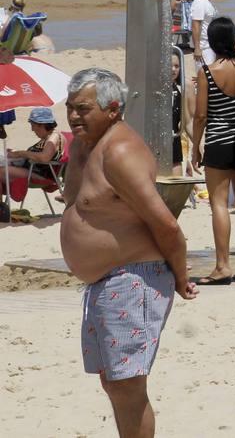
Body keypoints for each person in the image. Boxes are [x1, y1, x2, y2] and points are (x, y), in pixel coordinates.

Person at [60, 67, 195, 437]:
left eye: (83, 109)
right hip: (104, 281)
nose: (73, 116)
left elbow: (165, 223)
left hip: (133, 276)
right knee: (112, 382)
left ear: (114, 109)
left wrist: (182, 276)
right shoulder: (82, 147)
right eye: (70, 107)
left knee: (127, 385)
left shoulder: (120, 151)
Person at [190, 18, 235, 285]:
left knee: (219, 204)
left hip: (218, 143)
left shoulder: (207, 72)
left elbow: (200, 116)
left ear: (211, 41)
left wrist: (195, 148)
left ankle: (222, 266)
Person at [1, 107, 60, 216]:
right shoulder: (48, 138)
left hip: (39, 175)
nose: (32, 129)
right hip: (32, 170)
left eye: (33, 125)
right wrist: (16, 153)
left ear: (41, 124)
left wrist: (20, 153)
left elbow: (44, 157)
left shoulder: (53, 137)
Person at [189, 0, 221, 67]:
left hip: (211, 45)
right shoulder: (200, 3)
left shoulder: (207, 2)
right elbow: (196, 25)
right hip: (204, 47)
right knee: (206, 75)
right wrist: (197, 48)